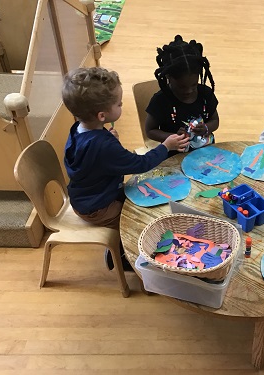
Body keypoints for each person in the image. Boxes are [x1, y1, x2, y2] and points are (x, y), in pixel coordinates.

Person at [62, 67, 189, 270]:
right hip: (97, 207)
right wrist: (166, 146)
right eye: (119, 104)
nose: (122, 106)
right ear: (102, 115)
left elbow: (90, 157)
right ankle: (123, 258)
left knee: (142, 198)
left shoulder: (78, 129)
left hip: (85, 196)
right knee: (139, 218)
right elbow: (141, 164)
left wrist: (106, 140)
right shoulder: (102, 146)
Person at [145, 35, 219, 158]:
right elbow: (150, 131)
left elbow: (215, 121)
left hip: (206, 154)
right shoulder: (160, 100)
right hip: (175, 157)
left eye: (194, 85)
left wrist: (206, 128)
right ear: (168, 77)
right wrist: (171, 137)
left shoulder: (205, 93)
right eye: (182, 87)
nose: (189, 91)